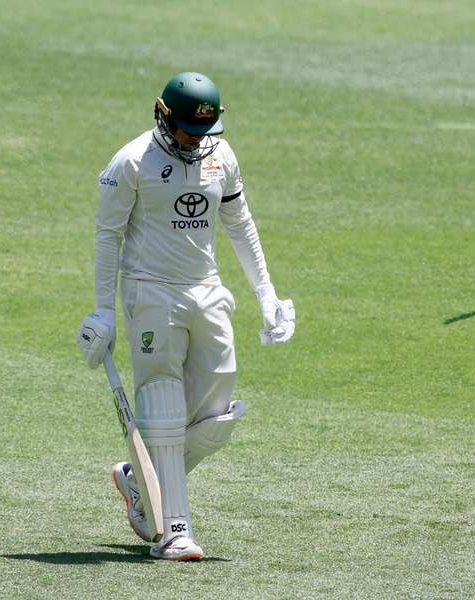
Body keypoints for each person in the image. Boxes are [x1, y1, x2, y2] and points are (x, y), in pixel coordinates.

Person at [77, 72, 295, 561]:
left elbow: (240, 223)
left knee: (219, 413)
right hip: (150, 292)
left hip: (207, 289)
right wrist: (102, 311)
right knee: (163, 406)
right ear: (161, 113)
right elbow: (107, 237)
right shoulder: (131, 162)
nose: (195, 142)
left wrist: (266, 294)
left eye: (204, 133)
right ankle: (174, 531)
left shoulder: (222, 156)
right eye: (186, 131)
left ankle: (138, 480)